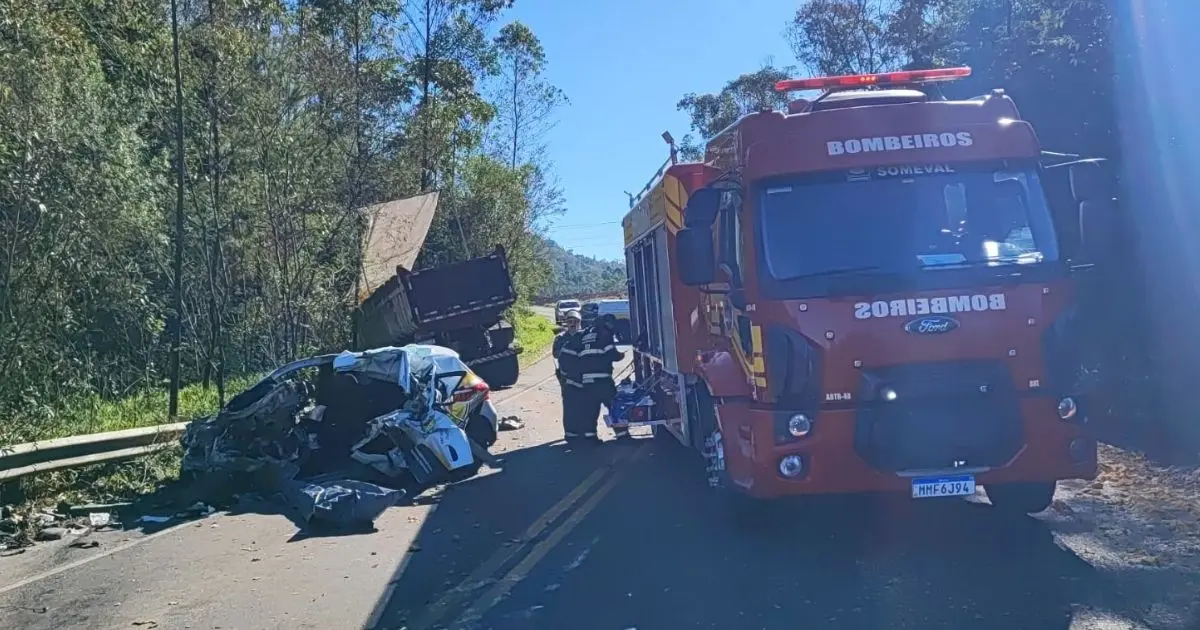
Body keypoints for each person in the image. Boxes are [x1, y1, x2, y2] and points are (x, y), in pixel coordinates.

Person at [573, 313, 628, 442]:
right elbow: (611, 353)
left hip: (586, 380)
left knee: (590, 411)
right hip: (602, 380)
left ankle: (590, 439)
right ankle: (623, 436)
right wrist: (621, 356)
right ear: (607, 323)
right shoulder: (604, 333)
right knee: (615, 406)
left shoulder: (587, 333)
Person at [553, 310, 586, 440]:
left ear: (579, 322)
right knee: (569, 405)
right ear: (566, 323)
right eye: (570, 321)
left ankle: (584, 432)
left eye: (575, 321)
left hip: (583, 376)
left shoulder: (585, 336)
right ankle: (571, 434)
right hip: (566, 377)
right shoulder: (560, 338)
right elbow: (556, 354)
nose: (573, 324)